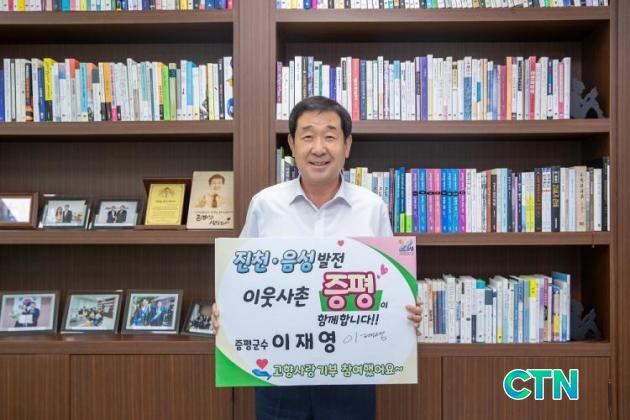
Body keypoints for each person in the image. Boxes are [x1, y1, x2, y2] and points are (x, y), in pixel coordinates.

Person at [211, 96, 421, 420]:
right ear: (292, 145)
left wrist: (406, 312)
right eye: (308, 136)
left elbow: (389, 286)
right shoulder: (265, 205)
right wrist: (226, 311)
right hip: (278, 373)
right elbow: (240, 280)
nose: (318, 148)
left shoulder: (371, 207)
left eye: (330, 136)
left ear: (347, 145)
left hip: (351, 374)